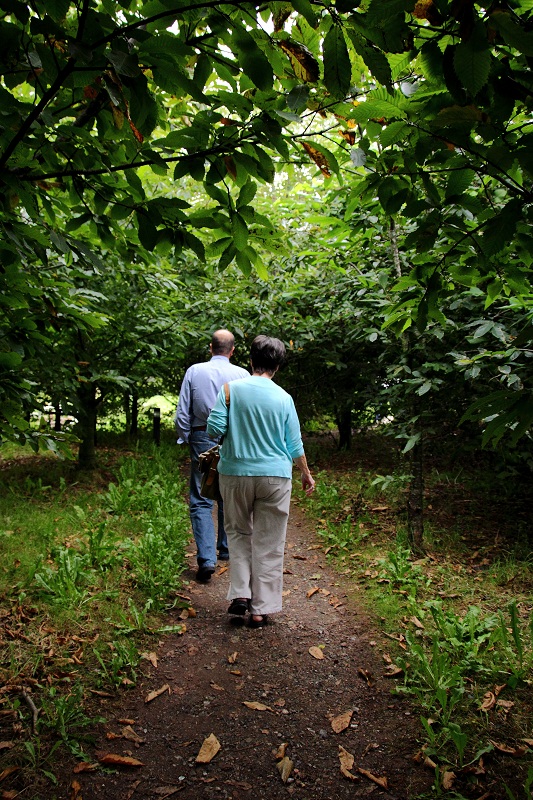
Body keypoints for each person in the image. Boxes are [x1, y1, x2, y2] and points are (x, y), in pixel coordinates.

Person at [206, 335, 315, 628]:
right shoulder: (284, 398)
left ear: (251, 360)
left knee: (238, 533)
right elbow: (294, 444)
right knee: (270, 541)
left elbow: (214, 428)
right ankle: (260, 609)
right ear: (277, 366)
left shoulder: (230, 390)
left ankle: (241, 595)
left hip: (235, 474)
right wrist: (305, 473)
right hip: (275, 477)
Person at [175, 330, 249, 583]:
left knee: (200, 497)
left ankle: (207, 559)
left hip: (201, 435)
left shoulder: (194, 371)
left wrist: (186, 437)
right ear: (232, 350)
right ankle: (225, 548)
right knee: (228, 491)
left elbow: (183, 410)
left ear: (210, 347)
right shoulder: (243, 375)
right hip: (232, 438)